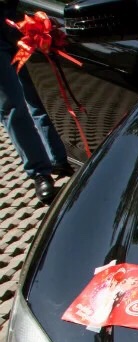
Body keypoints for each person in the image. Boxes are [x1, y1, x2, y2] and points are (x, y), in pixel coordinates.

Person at [0, 0, 72, 204]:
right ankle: (40, 173)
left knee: (39, 93)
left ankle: (59, 157)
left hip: (18, 14)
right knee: (12, 106)